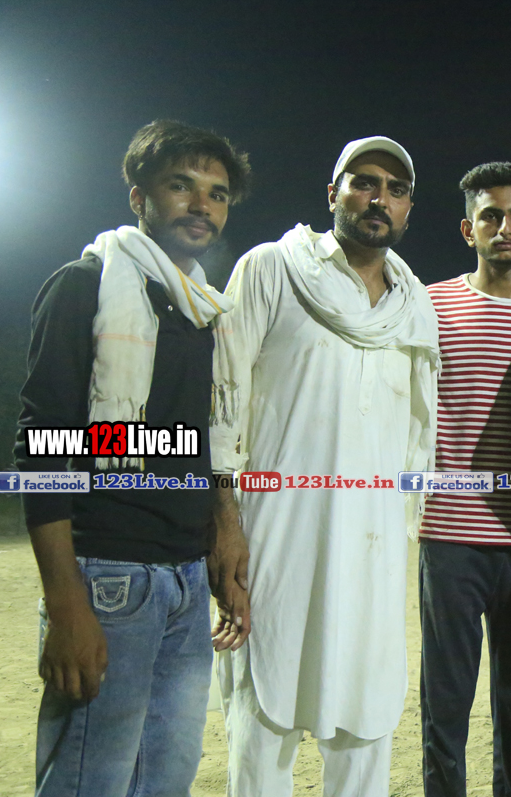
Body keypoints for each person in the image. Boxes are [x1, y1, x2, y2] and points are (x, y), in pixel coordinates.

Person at [13, 119, 251, 795]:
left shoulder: (203, 310)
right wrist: (67, 603)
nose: (201, 204)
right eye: (181, 185)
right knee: (88, 783)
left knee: (165, 782)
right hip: (107, 578)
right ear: (139, 197)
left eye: (217, 193)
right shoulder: (85, 285)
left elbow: (201, 446)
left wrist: (223, 538)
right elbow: (42, 446)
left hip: (185, 584)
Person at [209, 136, 439, 797]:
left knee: (366, 723)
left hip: (373, 549)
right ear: (333, 193)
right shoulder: (271, 269)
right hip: (275, 538)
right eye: (364, 182)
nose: (379, 199)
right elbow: (221, 400)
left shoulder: (413, 305)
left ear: (409, 207)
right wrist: (223, 524)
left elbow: (417, 437)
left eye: (396, 190)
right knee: (261, 725)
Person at [420, 162, 511, 797]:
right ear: (468, 228)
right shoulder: (429, 304)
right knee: (445, 702)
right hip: (449, 536)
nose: (504, 227)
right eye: (490, 215)